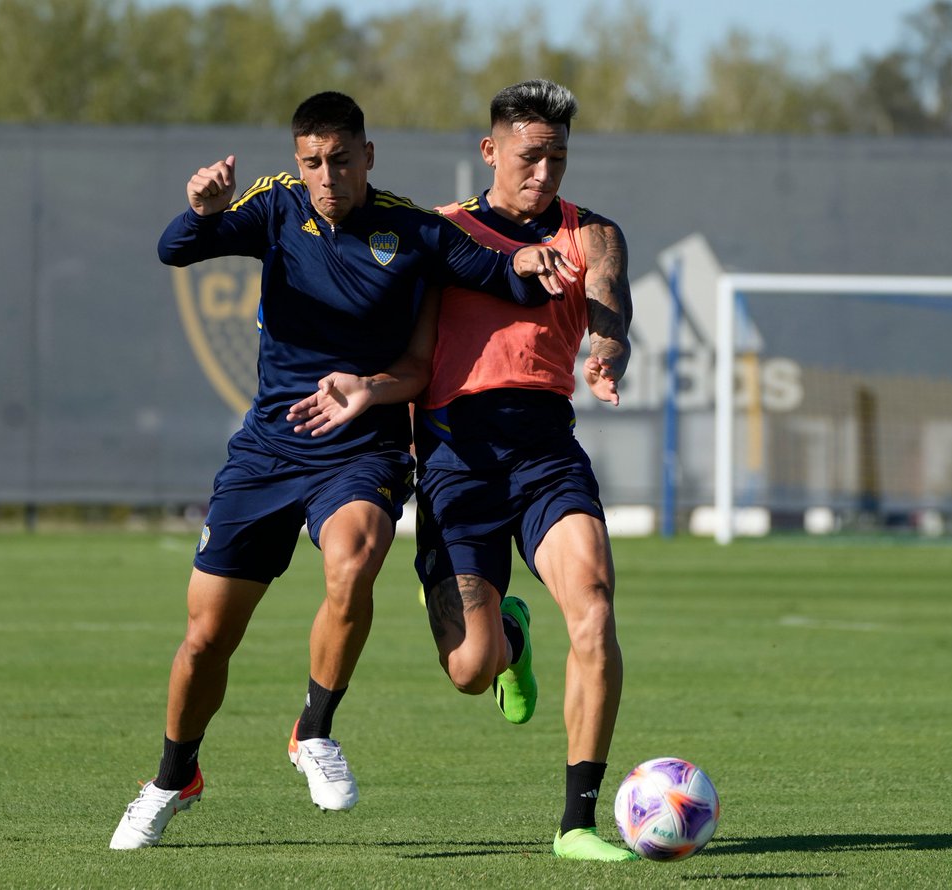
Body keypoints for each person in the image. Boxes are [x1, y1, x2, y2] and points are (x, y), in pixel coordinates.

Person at [109, 91, 574, 850]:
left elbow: (501, 273)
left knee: (355, 556)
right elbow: (175, 249)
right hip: (267, 449)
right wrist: (200, 210)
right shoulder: (274, 209)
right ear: (299, 162)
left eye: (341, 160)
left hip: (365, 447)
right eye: (312, 162)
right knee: (205, 639)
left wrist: (528, 258)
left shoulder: (413, 229)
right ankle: (173, 776)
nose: (327, 176)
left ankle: (314, 730)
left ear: (368, 155)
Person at [287, 80, 634, 861]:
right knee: (471, 670)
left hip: (546, 451)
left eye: (558, 157)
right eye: (529, 156)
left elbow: (610, 302)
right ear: (490, 151)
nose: (545, 173)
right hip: (453, 456)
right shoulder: (438, 234)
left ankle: (577, 824)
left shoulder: (595, 233)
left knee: (596, 611)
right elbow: (411, 355)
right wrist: (367, 393)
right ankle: (508, 634)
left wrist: (609, 351)